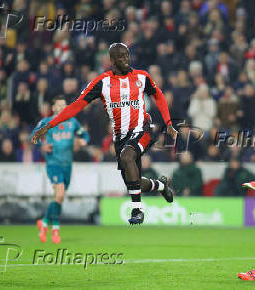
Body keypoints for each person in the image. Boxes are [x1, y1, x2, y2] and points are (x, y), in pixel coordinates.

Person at [31, 43, 178, 225]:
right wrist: (49, 125)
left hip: (142, 129)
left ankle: (138, 209)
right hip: (120, 137)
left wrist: (169, 123)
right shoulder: (102, 82)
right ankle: (161, 185)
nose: (126, 59)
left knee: (127, 156)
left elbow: (159, 96)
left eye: (127, 55)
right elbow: (76, 106)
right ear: (112, 60)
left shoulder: (142, 77)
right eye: (121, 56)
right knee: (135, 182)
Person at [31, 96, 89, 243]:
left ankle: (44, 223)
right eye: (60, 105)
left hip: (67, 165)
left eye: (65, 105)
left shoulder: (72, 122)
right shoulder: (47, 122)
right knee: (60, 194)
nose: (63, 108)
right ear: (54, 108)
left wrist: (84, 140)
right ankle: (55, 230)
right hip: (53, 164)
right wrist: (42, 146)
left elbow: (85, 134)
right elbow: (34, 136)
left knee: (59, 198)